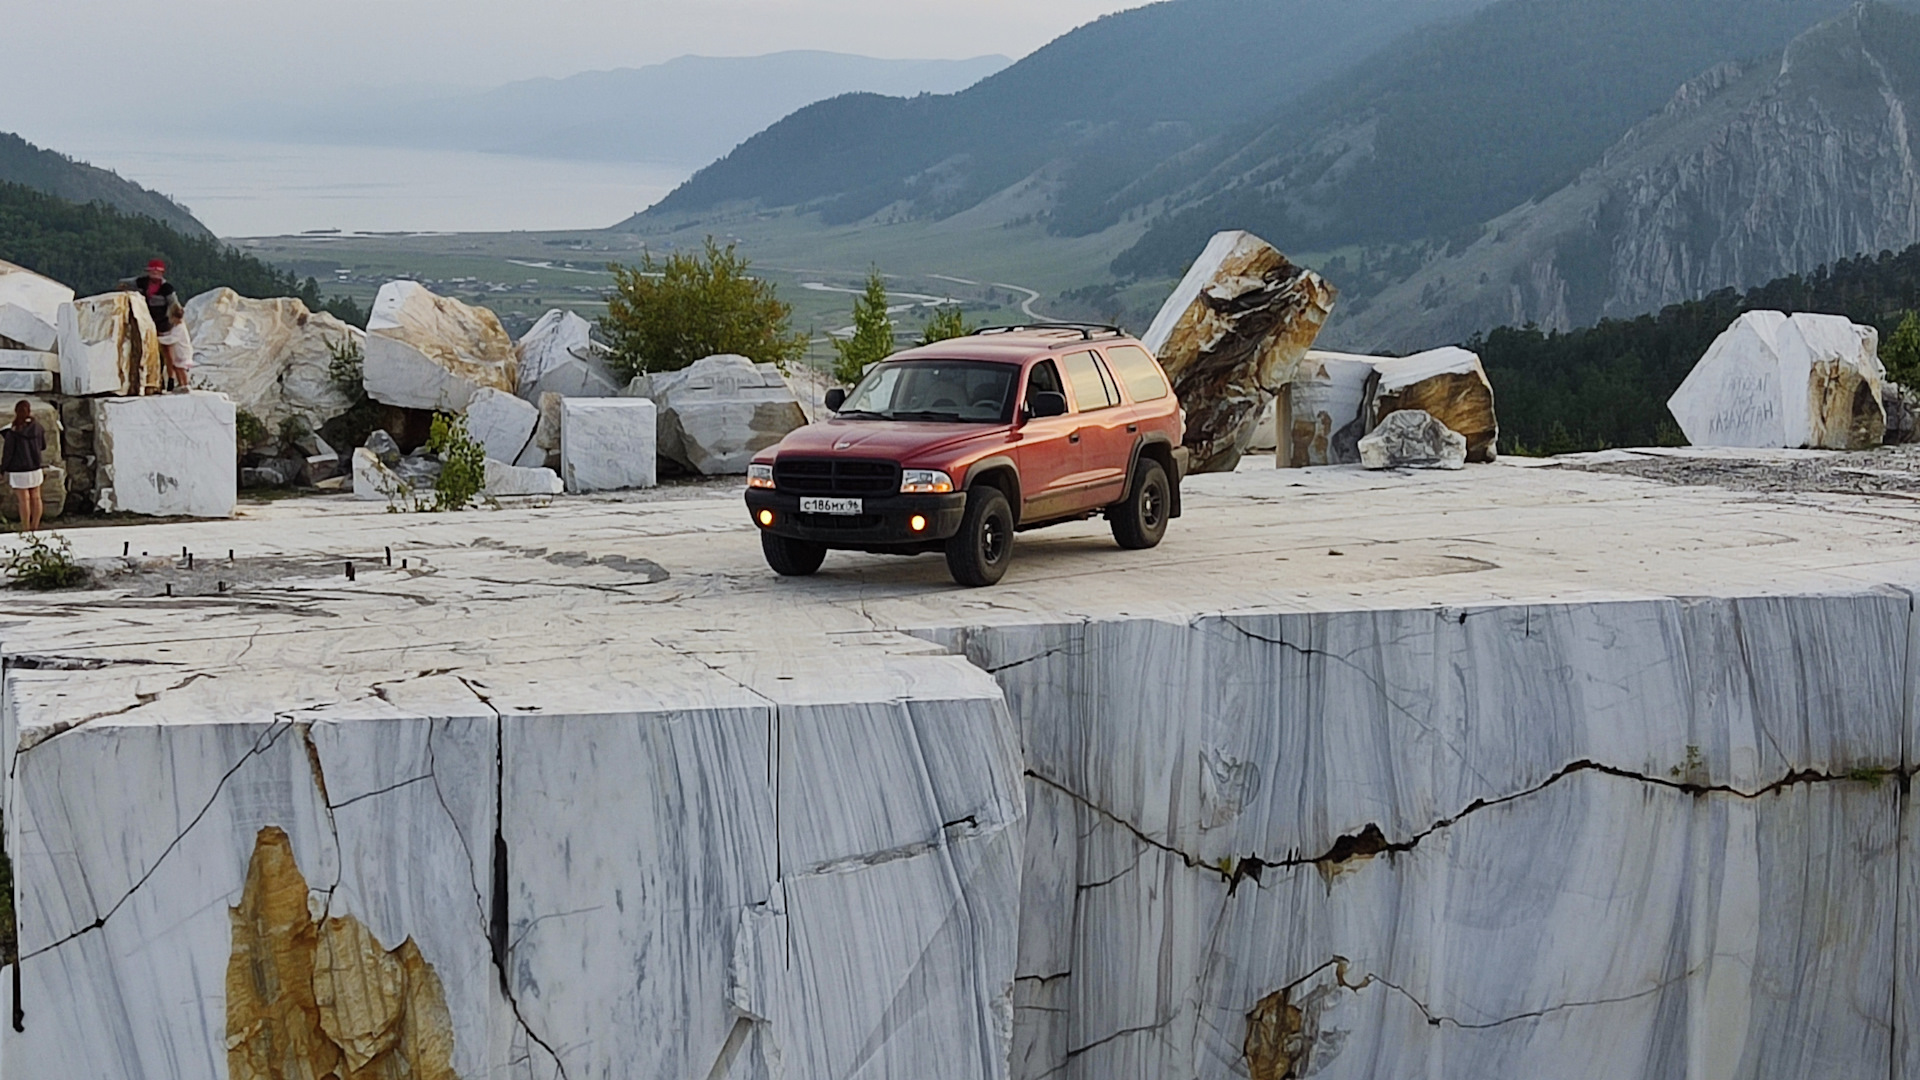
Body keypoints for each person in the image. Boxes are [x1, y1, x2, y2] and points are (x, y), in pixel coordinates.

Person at [132, 259, 193, 392]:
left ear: (162, 273)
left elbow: (173, 304)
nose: (154, 273)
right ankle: (159, 380)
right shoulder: (142, 282)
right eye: (152, 270)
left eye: (157, 271)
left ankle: (172, 380)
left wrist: (173, 319)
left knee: (170, 354)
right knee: (157, 353)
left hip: (165, 324)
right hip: (151, 322)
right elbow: (128, 283)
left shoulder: (167, 289)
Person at [3, 401, 46, 533]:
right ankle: (35, 526)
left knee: (24, 500)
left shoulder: (12, 431)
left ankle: (25, 527)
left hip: (19, 469)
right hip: (35, 466)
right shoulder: (38, 427)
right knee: (36, 497)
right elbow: (43, 446)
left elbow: (8, 453)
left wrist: (2, 468)